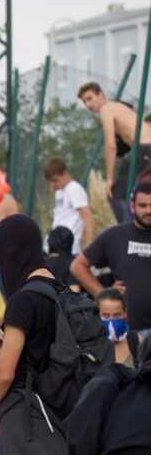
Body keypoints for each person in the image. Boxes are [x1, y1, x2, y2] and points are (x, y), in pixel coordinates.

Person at [0, 215, 71, 455]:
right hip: (61, 413)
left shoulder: (22, 301)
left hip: (26, 416)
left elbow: (5, 371)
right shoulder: (63, 292)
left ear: (11, 252)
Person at [72, 182, 151, 344]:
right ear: (132, 206)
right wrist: (102, 294)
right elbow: (77, 266)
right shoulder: (115, 236)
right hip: (126, 332)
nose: (148, 210)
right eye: (143, 205)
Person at [80, 80, 151, 223]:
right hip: (145, 149)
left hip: (144, 149)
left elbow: (110, 145)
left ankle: (130, 232)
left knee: (114, 194)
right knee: (139, 190)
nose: (88, 104)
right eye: (84, 102)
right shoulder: (118, 106)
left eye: (90, 98)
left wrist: (110, 177)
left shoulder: (106, 110)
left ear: (100, 94)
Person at [45, 157, 95, 254]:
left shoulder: (74, 189)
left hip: (68, 248)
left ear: (65, 173)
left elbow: (88, 219)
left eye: (55, 180)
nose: (52, 185)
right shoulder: (60, 192)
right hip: (55, 246)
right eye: (50, 182)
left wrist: (87, 250)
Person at [96, 288, 141, 367]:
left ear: (125, 313)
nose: (111, 320)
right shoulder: (90, 344)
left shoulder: (137, 340)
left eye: (117, 315)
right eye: (106, 316)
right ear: (97, 315)